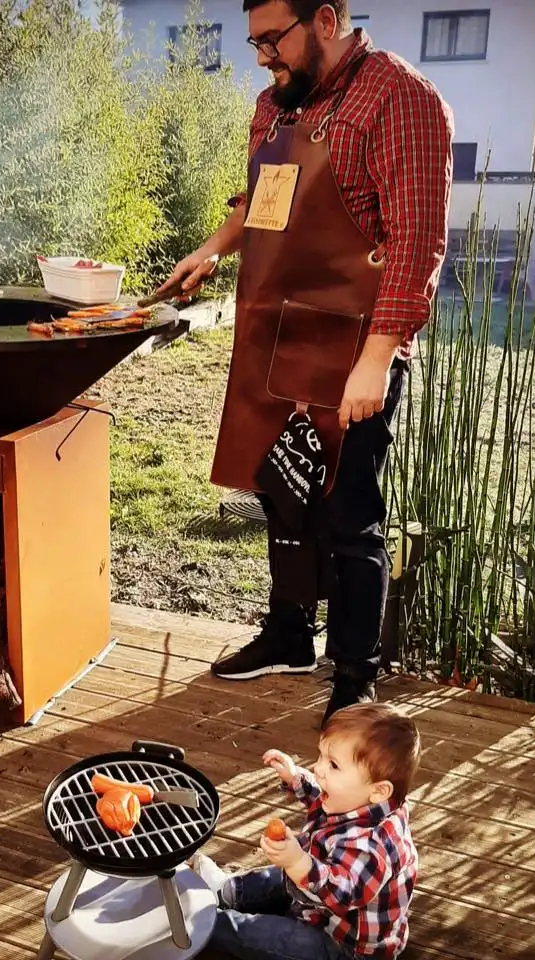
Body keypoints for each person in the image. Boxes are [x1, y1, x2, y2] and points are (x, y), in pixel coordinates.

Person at [158, 0, 454, 725]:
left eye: (271, 39)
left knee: (350, 514)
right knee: (280, 493)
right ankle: (289, 633)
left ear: (325, 19)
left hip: (356, 344)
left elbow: (417, 242)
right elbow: (256, 201)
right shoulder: (273, 105)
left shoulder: (399, 96)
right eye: (254, 41)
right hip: (278, 335)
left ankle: (356, 678)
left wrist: (378, 358)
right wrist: (209, 251)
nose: (261, 57)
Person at [192, 702, 422, 960]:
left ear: (379, 790)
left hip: (342, 945)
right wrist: (295, 777)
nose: (318, 768)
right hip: (318, 900)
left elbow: (340, 895)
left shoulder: (372, 848)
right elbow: (321, 795)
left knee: (257, 932)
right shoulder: (358, 799)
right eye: (321, 755)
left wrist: (298, 862)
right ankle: (226, 890)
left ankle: (207, 924)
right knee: (275, 878)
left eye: (333, 765)